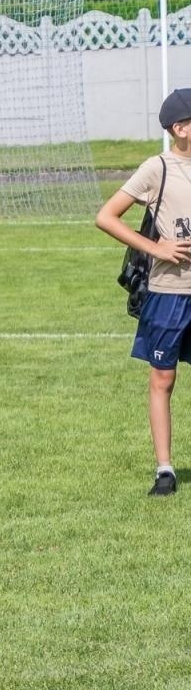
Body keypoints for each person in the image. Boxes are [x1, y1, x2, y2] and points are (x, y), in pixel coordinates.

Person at [99, 88, 191, 496]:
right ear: (181, 128)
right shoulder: (158, 169)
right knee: (163, 377)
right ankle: (165, 470)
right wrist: (157, 248)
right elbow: (106, 217)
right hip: (169, 291)